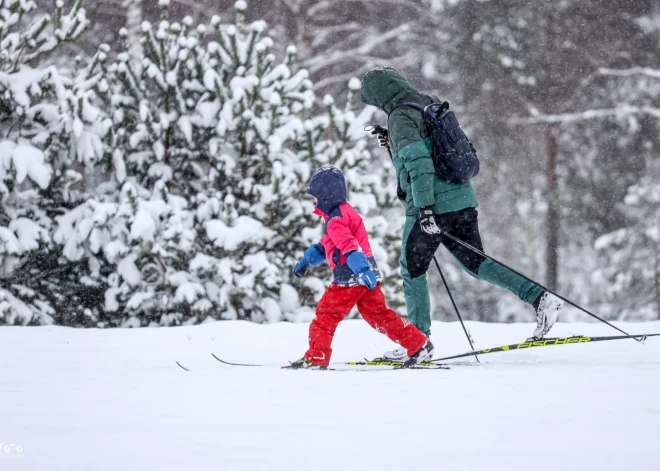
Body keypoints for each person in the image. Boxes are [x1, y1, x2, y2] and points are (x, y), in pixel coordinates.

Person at [359, 66, 563, 360]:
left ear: (381, 94)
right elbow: (425, 154)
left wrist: (426, 210)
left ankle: (418, 342)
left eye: (375, 100)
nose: (377, 107)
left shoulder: (400, 116)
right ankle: (540, 298)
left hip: (432, 208)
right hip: (461, 198)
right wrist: (393, 144)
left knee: (412, 270)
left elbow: (419, 166)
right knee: (477, 263)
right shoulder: (424, 102)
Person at [290, 164, 433, 369]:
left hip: (351, 276)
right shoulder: (342, 213)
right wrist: (306, 261)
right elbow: (327, 244)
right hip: (366, 275)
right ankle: (419, 345)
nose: (313, 200)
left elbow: (349, 246)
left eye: (315, 196)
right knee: (379, 315)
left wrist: (361, 270)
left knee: (326, 315)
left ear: (325, 196)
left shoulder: (335, 220)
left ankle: (316, 357)